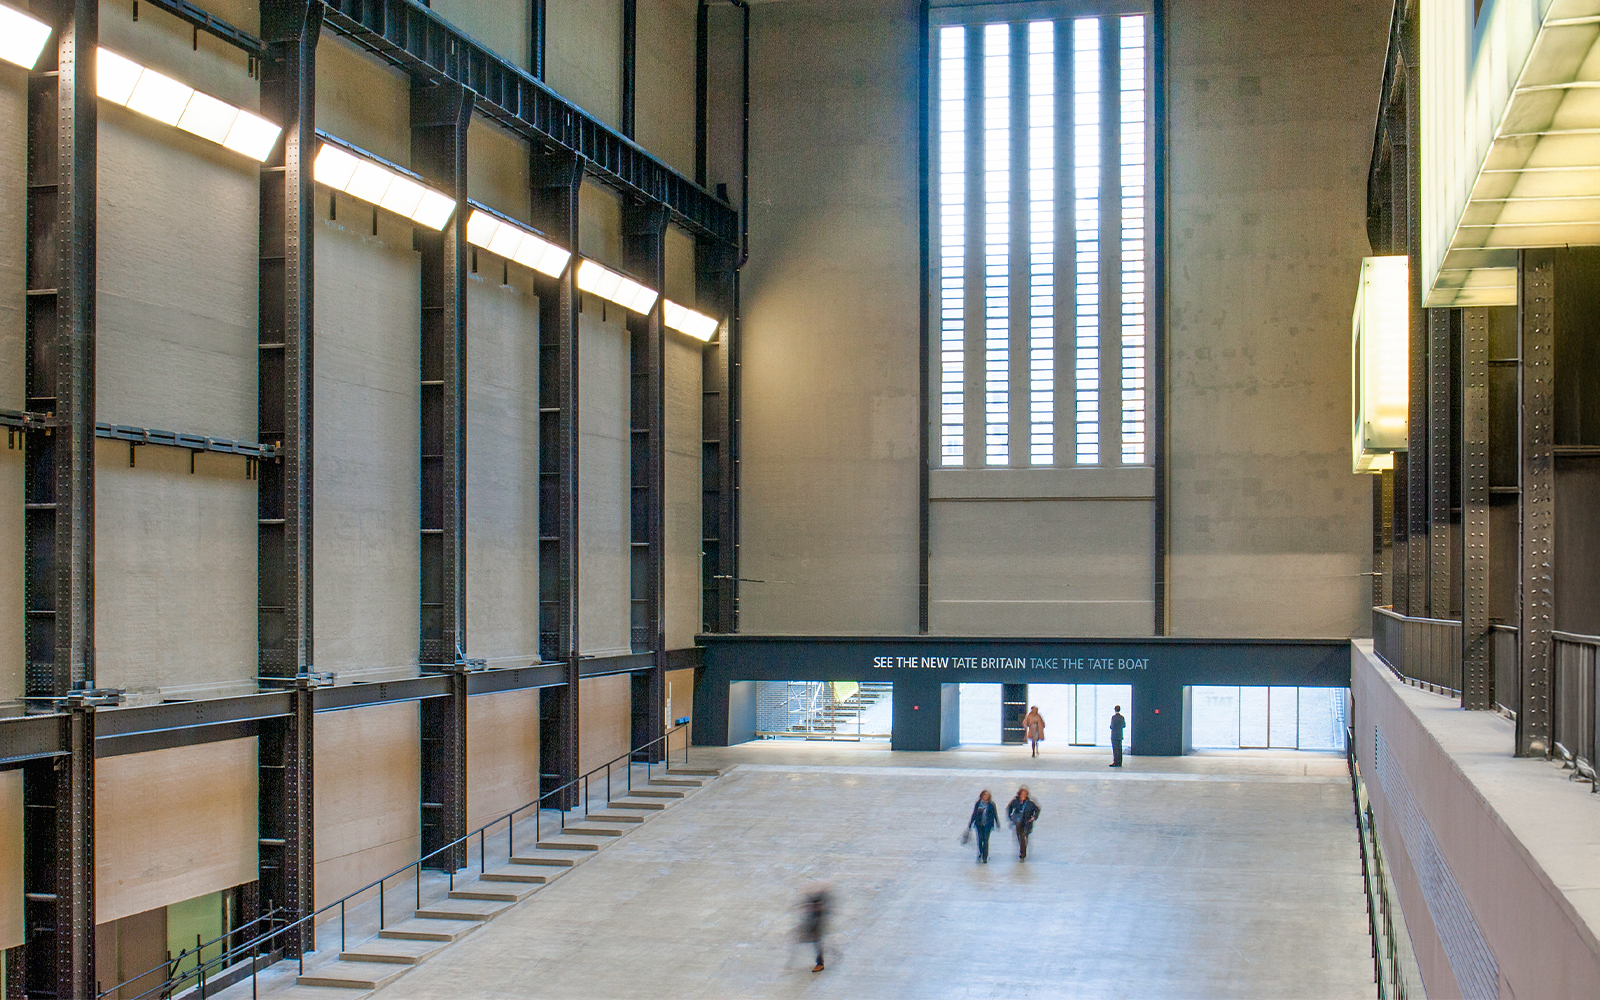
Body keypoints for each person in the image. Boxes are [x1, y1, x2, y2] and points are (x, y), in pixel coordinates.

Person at [797, 884, 831, 972]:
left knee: (816, 941)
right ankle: (820, 962)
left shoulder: (818, 913)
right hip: (815, 922)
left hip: (816, 924)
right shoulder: (816, 909)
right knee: (816, 941)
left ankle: (820, 963)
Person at [1006, 786, 1040, 861]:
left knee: (1024, 836)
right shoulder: (1015, 802)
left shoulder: (1030, 803)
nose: (1023, 796)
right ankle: (1023, 850)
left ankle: (1023, 853)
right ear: (1019, 794)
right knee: (1020, 836)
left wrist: (1034, 817)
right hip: (1018, 822)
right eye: (1022, 794)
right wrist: (1010, 816)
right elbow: (1009, 808)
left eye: (1025, 794)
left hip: (1027, 822)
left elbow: (1037, 809)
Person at [967, 789, 998, 863]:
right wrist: (971, 822)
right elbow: (974, 813)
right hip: (979, 824)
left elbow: (994, 814)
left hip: (988, 824)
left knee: (986, 839)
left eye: (987, 795)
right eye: (984, 795)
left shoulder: (991, 804)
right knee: (980, 839)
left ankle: (985, 856)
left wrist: (997, 822)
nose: (985, 797)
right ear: (981, 796)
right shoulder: (978, 804)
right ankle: (981, 851)